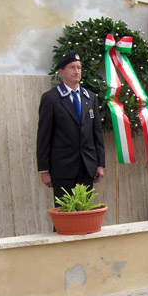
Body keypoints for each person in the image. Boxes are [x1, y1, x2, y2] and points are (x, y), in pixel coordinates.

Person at [37, 51, 105, 206]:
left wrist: (100, 164)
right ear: (61, 72)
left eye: (79, 68)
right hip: (63, 168)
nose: (77, 72)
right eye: (72, 68)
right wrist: (44, 169)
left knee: (85, 212)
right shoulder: (51, 99)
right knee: (64, 213)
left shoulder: (90, 98)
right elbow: (43, 136)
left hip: (87, 167)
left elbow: (96, 133)